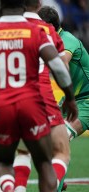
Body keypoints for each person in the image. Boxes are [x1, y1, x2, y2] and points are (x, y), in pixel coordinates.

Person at [0, 0, 78, 191]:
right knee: (47, 161)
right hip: (33, 103)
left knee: (4, 163)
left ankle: (9, 187)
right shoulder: (38, 32)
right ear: (28, 5)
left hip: (1, 106)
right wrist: (70, 98)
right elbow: (59, 68)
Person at [12, 1, 72, 191]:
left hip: (14, 98)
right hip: (42, 96)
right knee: (61, 152)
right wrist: (70, 97)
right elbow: (62, 69)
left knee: (23, 151)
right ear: (38, 4)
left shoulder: (7, 28)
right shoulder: (48, 30)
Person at [38, 6, 89, 141]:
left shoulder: (66, 40)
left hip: (86, 101)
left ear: (48, 26)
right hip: (71, 99)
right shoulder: (48, 43)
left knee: (58, 141)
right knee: (42, 139)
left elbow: (62, 65)